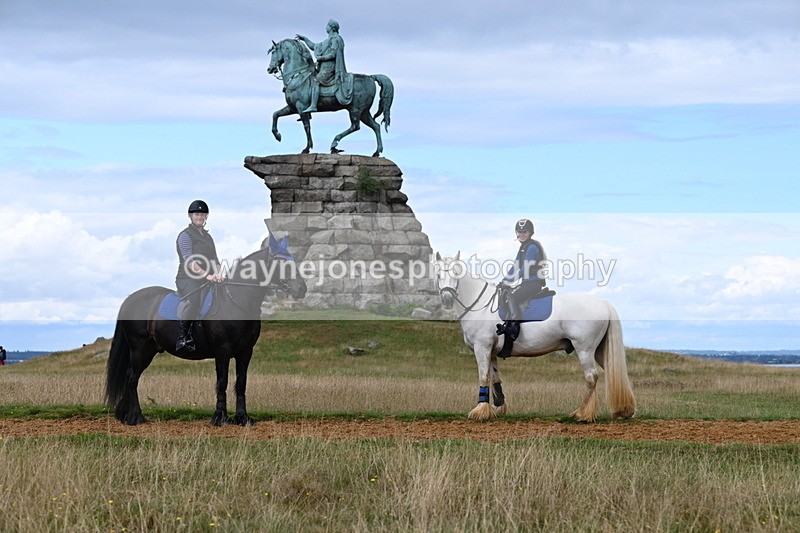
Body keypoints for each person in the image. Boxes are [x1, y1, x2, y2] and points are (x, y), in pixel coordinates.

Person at [175, 200, 221, 352]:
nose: (199, 217)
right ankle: (183, 338)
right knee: (194, 298)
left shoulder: (208, 237)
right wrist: (206, 275)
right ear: (190, 216)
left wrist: (218, 274)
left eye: (202, 214)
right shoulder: (185, 236)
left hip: (208, 277)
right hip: (188, 278)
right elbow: (189, 261)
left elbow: (215, 259)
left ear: (206, 216)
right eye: (196, 214)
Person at [497, 218, 547, 340]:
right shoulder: (524, 247)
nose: (521, 234)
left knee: (511, 296)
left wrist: (509, 281)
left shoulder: (532, 247)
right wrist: (503, 281)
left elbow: (524, 269)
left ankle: (514, 327)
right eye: (519, 232)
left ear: (530, 233)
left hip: (533, 283)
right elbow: (515, 266)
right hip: (527, 283)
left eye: (524, 232)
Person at [295, 19, 352, 112]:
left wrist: (322, 58)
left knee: (315, 81)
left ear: (331, 28)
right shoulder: (327, 40)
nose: (326, 27)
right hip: (323, 68)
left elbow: (333, 54)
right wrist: (305, 39)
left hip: (330, 68)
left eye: (327, 26)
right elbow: (314, 46)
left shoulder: (336, 39)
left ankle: (313, 105)